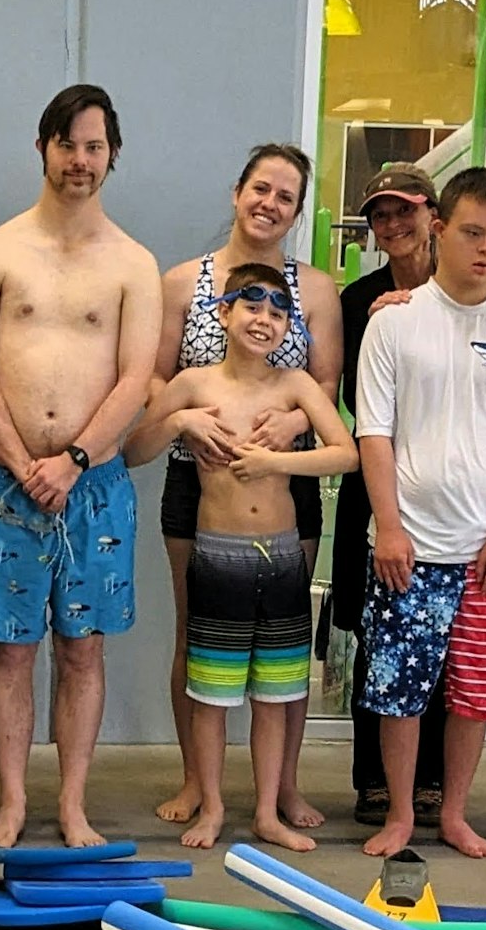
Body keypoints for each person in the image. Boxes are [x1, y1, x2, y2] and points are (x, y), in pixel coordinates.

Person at [0, 84, 161, 849]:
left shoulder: (132, 263)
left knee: (83, 648)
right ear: (43, 146)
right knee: (12, 647)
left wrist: (74, 460)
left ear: (112, 155)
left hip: (95, 484)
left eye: (95, 146)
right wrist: (21, 461)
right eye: (68, 143)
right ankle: (11, 803)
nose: (81, 160)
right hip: (6, 480)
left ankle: (72, 804)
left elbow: (136, 377)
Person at [353, 165, 486, 860]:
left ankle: (456, 813)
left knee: (477, 696)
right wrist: (390, 526)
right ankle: (403, 813)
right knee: (400, 691)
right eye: (472, 232)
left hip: (485, 553)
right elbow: (372, 433)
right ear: (439, 228)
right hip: (411, 544)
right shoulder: (395, 324)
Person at [128, 264, 357, 850]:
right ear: (222, 313)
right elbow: (133, 452)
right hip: (218, 554)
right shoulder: (193, 385)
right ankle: (211, 804)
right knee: (211, 693)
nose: (265, 319)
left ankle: (265, 812)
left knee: (276, 693)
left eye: (279, 313)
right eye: (252, 306)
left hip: (281, 555)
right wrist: (177, 421)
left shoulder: (296, 386)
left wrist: (276, 462)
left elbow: (345, 454)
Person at [152, 143, 343, 834]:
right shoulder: (182, 283)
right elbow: (155, 377)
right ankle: (199, 783)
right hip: (196, 477)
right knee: (198, 635)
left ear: (295, 212)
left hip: (284, 483)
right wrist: (187, 421)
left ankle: (281, 790)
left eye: (285, 196)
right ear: (237, 192)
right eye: (260, 188)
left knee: (281, 649)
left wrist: (293, 427)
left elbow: (325, 385)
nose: (270, 203)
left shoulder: (314, 289)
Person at [331, 166, 448, 827]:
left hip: (447, 491)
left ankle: (431, 777)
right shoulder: (359, 300)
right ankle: (372, 777)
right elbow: (357, 401)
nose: (393, 224)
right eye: (381, 215)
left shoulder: (465, 293)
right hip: (375, 485)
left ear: (434, 215)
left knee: (439, 638)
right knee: (375, 634)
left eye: (405, 210)